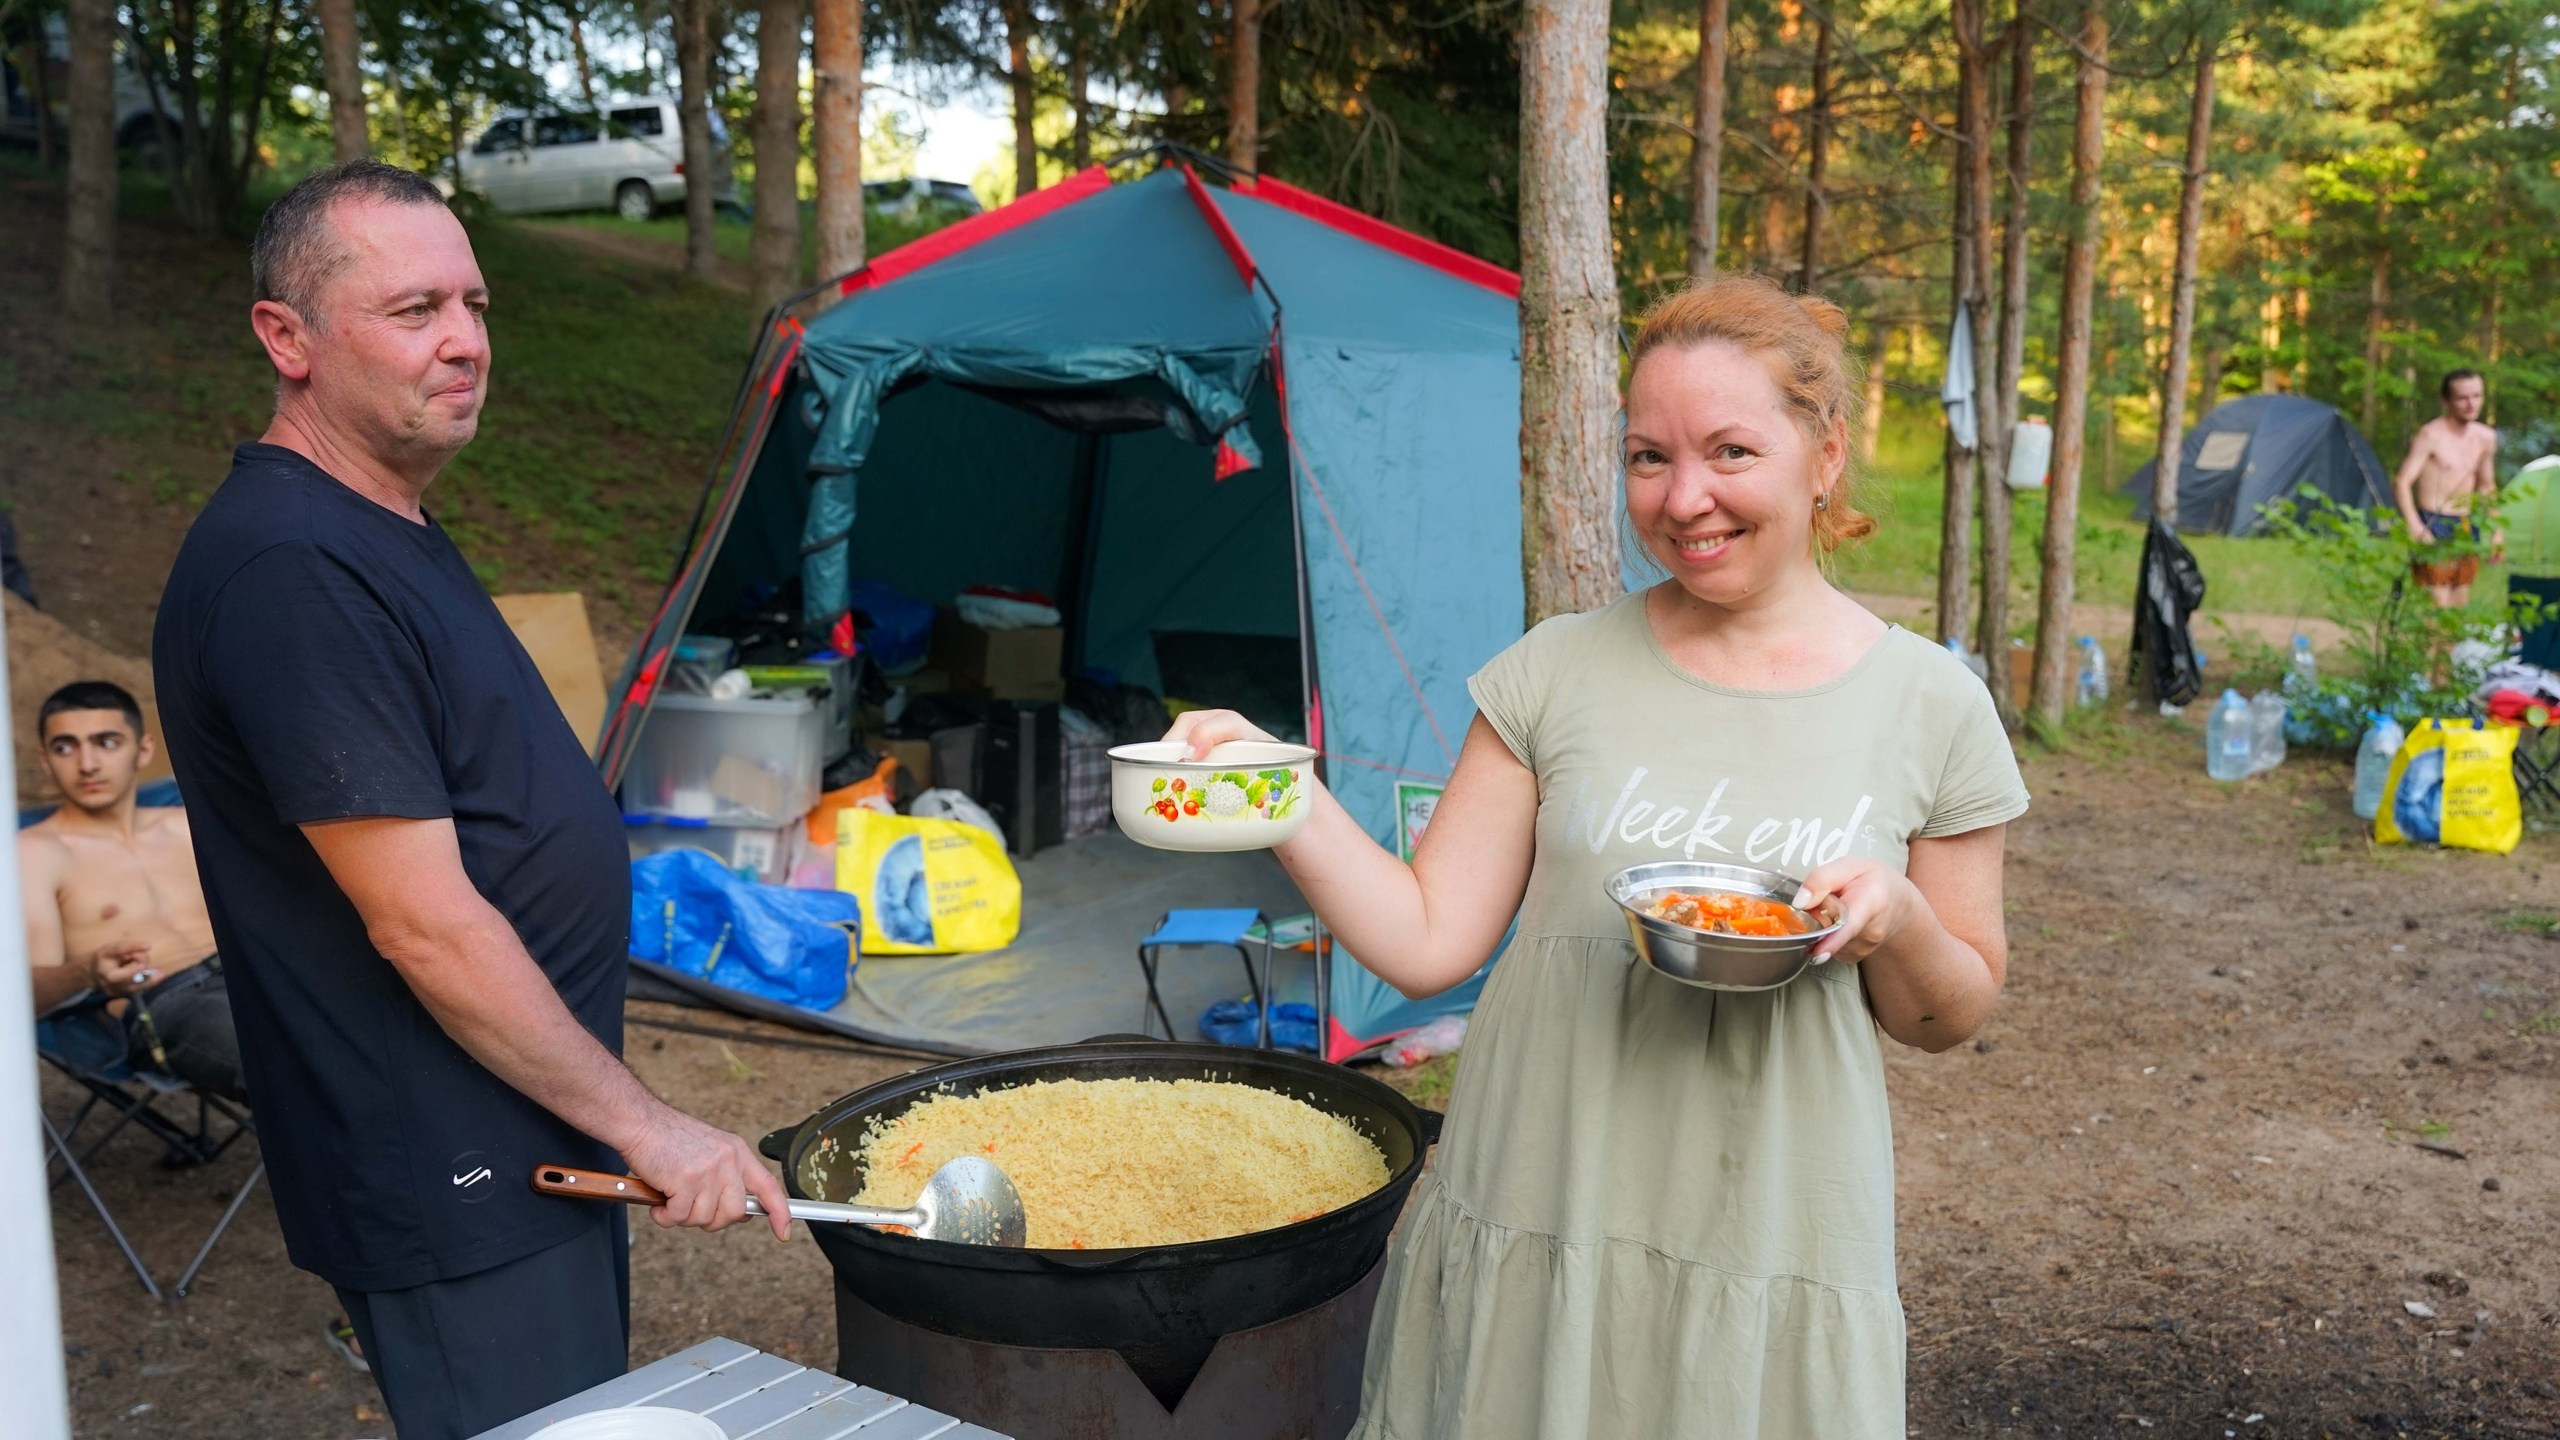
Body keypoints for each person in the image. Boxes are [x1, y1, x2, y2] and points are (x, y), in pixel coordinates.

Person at [1172, 276, 2027, 1438]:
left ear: (1824, 456)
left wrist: (1898, 922)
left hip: (1769, 1223)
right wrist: (1276, 788)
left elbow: (1947, 1014)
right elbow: (1425, 941)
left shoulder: (1931, 704)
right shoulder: (1553, 670)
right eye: (1647, 458)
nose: (1684, 499)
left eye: (1731, 451)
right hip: (1541, 1192)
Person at [151, 160, 791, 1440]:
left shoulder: (378, 523)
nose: (465, 341)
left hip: (523, 1134)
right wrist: (650, 1128)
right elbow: (423, 924)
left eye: (475, 304)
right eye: (414, 311)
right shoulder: (291, 567)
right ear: (287, 337)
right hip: (448, 1165)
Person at [22, 681, 241, 1101]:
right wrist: (87, 972)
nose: (87, 764)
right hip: (167, 1003)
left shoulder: (187, 824)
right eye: (65, 747)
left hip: (247, 974)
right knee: (288, 1053)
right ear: (46, 761)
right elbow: (24, 997)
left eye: (106, 743)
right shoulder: (33, 854)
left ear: (142, 750)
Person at [2393, 368, 2501, 607]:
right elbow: (2402, 481)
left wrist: (2496, 531)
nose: (2471, 404)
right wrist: (2415, 526)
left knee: (2459, 606)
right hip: (2434, 521)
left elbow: (2486, 486)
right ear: (2446, 401)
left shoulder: (2486, 438)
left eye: (2477, 396)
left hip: (2466, 524)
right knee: (2437, 605)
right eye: (2463, 398)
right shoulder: (2430, 435)